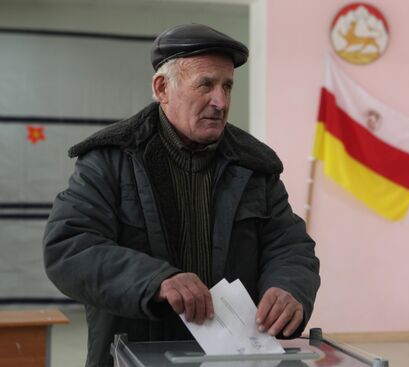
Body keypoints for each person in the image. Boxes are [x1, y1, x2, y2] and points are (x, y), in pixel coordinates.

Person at [43, 23, 320, 367]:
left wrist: (289, 287)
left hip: (234, 358)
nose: (220, 101)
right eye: (206, 84)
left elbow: (289, 246)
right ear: (162, 88)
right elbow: (69, 247)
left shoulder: (255, 166)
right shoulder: (109, 159)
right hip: (135, 355)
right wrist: (157, 280)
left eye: (227, 86)